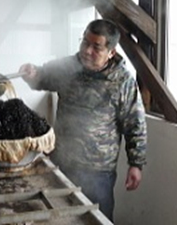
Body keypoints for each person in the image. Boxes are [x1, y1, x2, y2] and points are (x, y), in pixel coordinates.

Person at [19, 19, 147, 221]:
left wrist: (136, 164)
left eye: (96, 47)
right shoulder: (69, 67)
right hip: (62, 161)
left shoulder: (122, 81)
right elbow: (42, 76)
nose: (87, 51)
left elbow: (135, 123)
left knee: (97, 219)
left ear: (111, 52)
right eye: (85, 43)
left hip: (98, 171)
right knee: (58, 217)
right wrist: (32, 73)